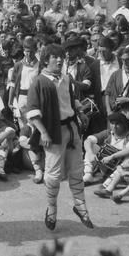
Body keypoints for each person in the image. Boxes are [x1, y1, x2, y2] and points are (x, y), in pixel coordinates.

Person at [25, 43, 94, 231]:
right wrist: (44, 132)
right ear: (46, 60)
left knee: (77, 170)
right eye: (55, 57)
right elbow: (31, 110)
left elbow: (71, 100)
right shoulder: (39, 81)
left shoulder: (66, 78)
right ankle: (52, 210)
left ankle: (80, 207)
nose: (60, 59)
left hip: (72, 129)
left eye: (61, 57)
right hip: (53, 133)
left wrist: (80, 112)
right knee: (53, 176)